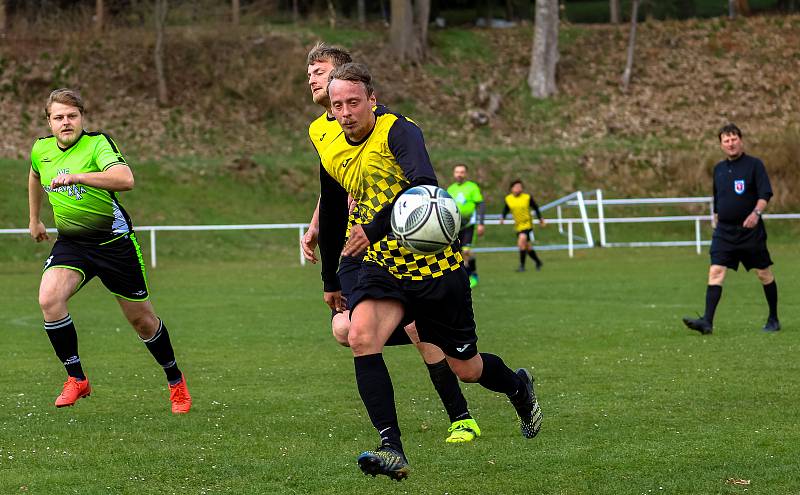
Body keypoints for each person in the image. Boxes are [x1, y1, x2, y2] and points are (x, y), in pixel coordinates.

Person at [317, 63, 542, 481]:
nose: (346, 111)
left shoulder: (399, 131)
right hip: (384, 264)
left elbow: (423, 184)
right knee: (360, 336)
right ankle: (392, 449)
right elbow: (331, 208)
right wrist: (331, 277)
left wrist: (373, 226)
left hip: (435, 266)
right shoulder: (329, 142)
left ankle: (517, 387)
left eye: (353, 102)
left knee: (467, 368)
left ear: (371, 99)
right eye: (338, 105)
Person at [301, 43, 481, 444]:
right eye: (310, 72)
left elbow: (411, 179)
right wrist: (316, 227)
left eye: (321, 70)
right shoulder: (320, 131)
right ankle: (393, 442)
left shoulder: (384, 125)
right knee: (347, 331)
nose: (314, 77)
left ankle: (460, 415)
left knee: (409, 333)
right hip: (357, 247)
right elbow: (332, 188)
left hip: (399, 244)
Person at [28, 88, 191, 414]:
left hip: (114, 245)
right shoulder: (41, 149)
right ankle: (76, 378)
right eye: (58, 117)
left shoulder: (97, 144)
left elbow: (125, 178)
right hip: (73, 243)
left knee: (143, 321)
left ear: (82, 118)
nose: (66, 122)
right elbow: (34, 175)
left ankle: (176, 381)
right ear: (49, 121)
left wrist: (78, 176)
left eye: (72, 116)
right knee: (49, 299)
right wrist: (34, 219)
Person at [682, 123, 779, 334]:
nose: (731, 143)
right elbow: (718, 199)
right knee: (715, 271)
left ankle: (773, 318)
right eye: (726, 140)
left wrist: (756, 214)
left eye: (734, 139)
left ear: (740, 140)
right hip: (725, 232)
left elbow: (765, 194)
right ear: (721, 145)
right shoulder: (718, 169)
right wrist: (716, 218)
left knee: (763, 273)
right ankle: (707, 322)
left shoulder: (754, 165)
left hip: (750, 232)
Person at [447, 164, 485, 288]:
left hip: (469, 224)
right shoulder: (450, 189)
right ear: (453, 174)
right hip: (455, 226)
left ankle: (472, 275)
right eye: (457, 172)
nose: (459, 174)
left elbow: (481, 205)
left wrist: (481, 223)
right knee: (457, 252)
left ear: (466, 174)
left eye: (462, 172)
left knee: (466, 251)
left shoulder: (472, 187)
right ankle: (461, 276)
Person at [500, 179, 546, 272]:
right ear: (511, 189)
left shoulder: (527, 197)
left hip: (527, 224)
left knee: (521, 243)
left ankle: (522, 266)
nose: (518, 189)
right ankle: (538, 262)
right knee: (527, 246)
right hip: (518, 225)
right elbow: (506, 209)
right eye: (516, 187)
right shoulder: (508, 199)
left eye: (520, 187)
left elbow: (536, 208)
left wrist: (541, 219)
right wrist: (502, 217)